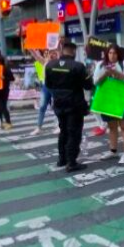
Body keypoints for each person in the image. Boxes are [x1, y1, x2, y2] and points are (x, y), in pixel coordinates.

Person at [46, 41, 93, 173]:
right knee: (74, 133)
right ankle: (71, 162)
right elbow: (88, 85)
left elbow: (48, 84)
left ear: (62, 50)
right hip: (74, 105)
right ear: (73, 52)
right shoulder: (78, 66)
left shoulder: (50, 65)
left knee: (63, 131)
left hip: (59, 104)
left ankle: (62, 159)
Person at [94, 44, 124, 164]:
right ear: (107, 54)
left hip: (121, 97)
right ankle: (113, 151)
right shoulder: (101, 65)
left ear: (119, 54)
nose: (112, 56)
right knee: (112, 126)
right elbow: (96, 82)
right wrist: (105, 74)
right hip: (107, 98)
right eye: (110, 53)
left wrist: (117, 73)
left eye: (115, 53)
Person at [29, 49, 58, 136]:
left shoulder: (58, 62)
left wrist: (59, 46)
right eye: (49, 53)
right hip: (46, 87)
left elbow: (59, 53)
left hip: (55, 86)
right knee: (42, 107)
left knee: (56, 107)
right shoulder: (45, 61)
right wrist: (30, 48)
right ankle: (39, 127)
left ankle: (59, 126)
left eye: (53, 53)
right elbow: (36, 56)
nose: (50, 55)